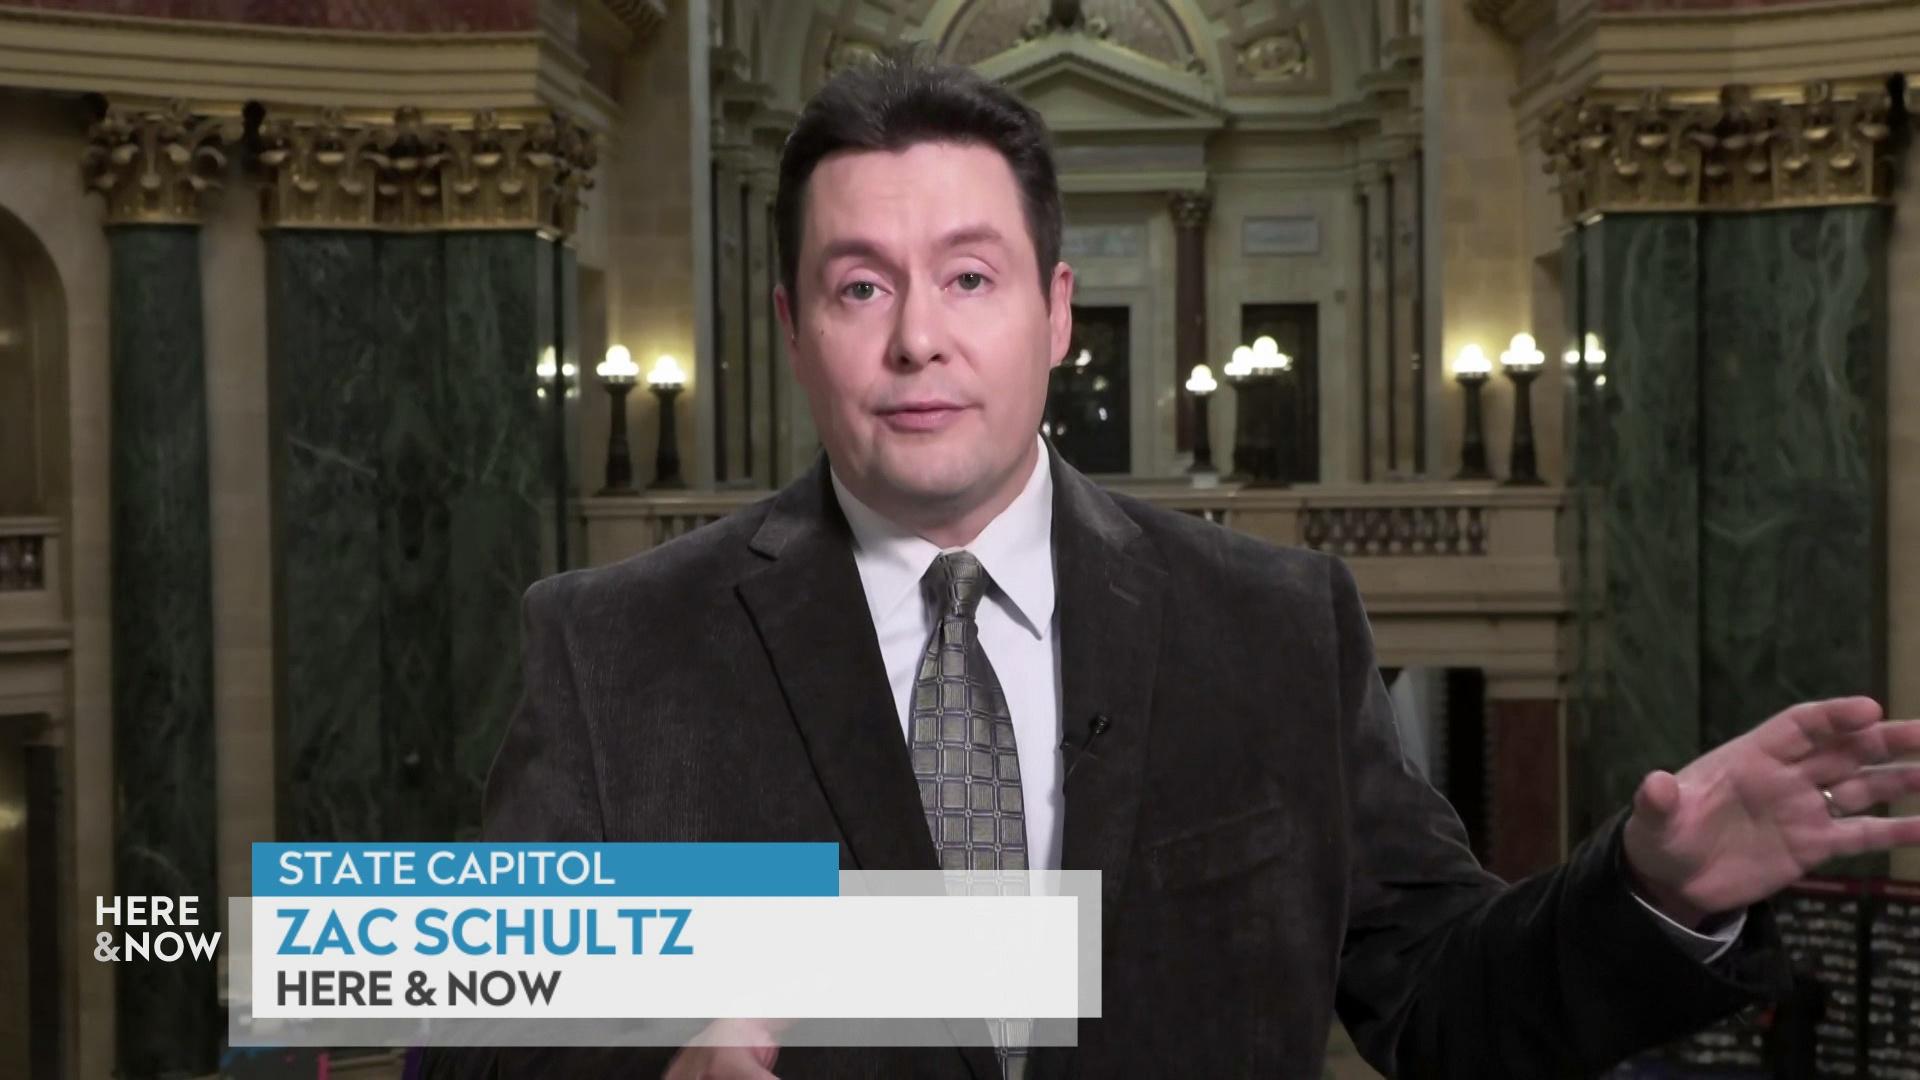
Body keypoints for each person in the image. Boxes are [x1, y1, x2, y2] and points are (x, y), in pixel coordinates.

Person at [460, 54, 1920, 1078]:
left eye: (969, 277)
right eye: (861, 287)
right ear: (793, 328)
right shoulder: (615, 643)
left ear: (1053, 312)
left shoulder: (1273, 628)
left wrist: (1650, 893)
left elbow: (1442, 1005)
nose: (918, 338)